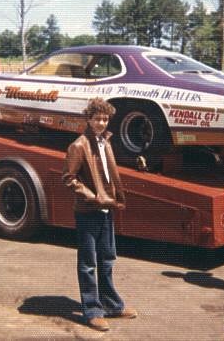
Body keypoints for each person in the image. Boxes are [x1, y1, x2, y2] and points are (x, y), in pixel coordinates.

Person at [62, 98, 137, 331]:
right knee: (88, 263)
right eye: (97, 119)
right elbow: (69, 178)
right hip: (88, 211)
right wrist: (92, 197)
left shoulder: (106, 142)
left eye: (105, 119)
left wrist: (111, 199)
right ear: (88, 119)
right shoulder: (79, 145)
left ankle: (112, 305)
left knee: (107, 258)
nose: (101, 123)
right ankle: (92, 310)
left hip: (107, 208)